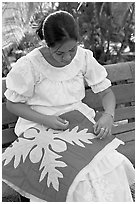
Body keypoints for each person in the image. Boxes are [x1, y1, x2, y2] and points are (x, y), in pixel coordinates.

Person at [2, 10, 134, 202]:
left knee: (110, 164)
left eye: (72, 50)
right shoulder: (29, 65)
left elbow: (106, 93)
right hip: (40, 127)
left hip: (78, 123)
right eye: (60, 53)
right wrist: (46, 119)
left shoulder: (83, 57)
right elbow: (13, 105)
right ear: (47, 44)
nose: (67, 57)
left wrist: (108, 115)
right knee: (75, 178)